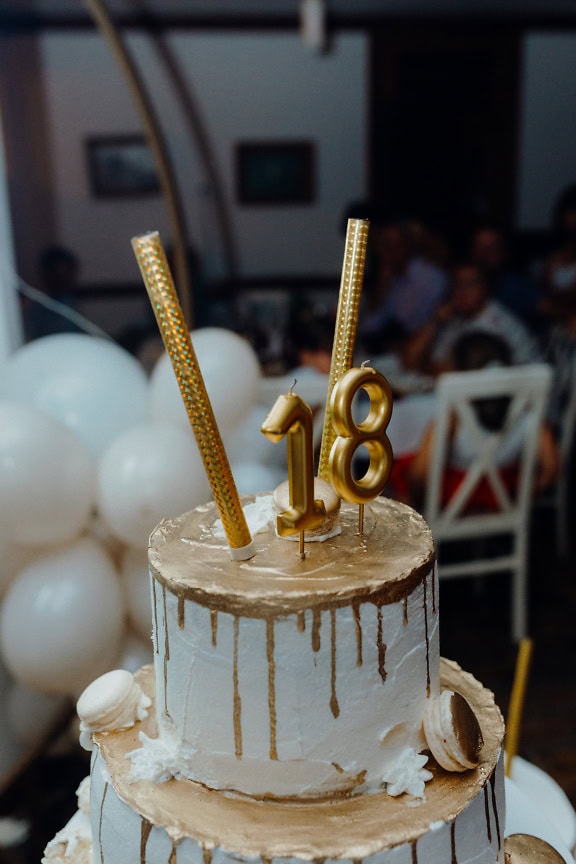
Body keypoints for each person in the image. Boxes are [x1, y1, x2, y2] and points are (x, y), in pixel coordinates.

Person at [394, 331, 558, 511]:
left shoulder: (453, 421)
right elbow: (551, 469)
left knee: (401, 468)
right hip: (503, 495)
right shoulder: (528, 413)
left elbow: (419, 476)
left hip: (454, 500)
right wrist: (523, 496)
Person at [402, 261, 541, 374]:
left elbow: (448, 372)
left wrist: (432, 368)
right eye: (458, 284)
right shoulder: (455, 320)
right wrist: (434, 321)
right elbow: (411, 362)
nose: (462, 292)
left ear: (486, 288)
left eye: (470, 284)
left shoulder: (499, 322)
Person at [360, 219, 448, 354]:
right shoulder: (392, 276)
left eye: (395, 244)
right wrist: (381, 286)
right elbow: (370, 326)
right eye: (385, 245)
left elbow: (414, 326)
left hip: (425, 351)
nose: (388, 252)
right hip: (394, 350)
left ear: (408, 244)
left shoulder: (428, 277)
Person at [468, 222, 540, 329]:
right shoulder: (459, 286)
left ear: (504, 252)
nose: (484, 255)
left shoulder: (520, 288)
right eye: (480, 248)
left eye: (491, 248)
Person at [22, 245, 82, 341]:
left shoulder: (68, 301)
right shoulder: (34, 305)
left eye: (68, 275)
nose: (64, 280)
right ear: (45, 274)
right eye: (59, 275)